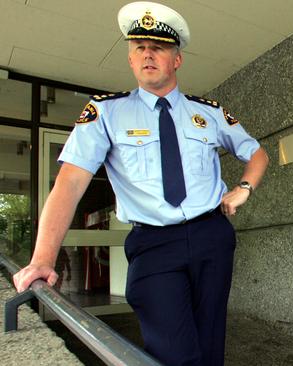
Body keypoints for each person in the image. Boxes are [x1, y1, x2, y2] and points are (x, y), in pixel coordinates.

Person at [12, 2, 269, 365]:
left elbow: (257, 153)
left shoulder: (208, 113)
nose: (147, 54)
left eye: (158, 47)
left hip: (212, 237)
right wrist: (42, 259)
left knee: (210, 348)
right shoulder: (106, 113)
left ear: (176, 59)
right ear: (131, 60)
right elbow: (69, 183)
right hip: (154, 245)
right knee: (174, 354)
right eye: (139, 48)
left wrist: (244, 188)